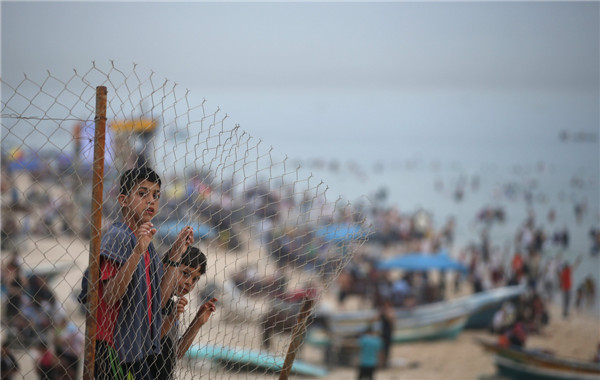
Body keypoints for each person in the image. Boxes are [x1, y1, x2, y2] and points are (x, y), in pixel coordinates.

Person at [78, 166, 194, 380]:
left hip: (136, 352)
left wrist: (177, 253)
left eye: (156, 195)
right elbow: (111, 295)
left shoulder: (147, 243)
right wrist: (136, 252)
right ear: (123, 200)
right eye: (142, 193)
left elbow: (159, 299)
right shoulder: (118, 237)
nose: (151, 200)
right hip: (113, 350)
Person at [149, 246, 217, 380]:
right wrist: (171, 318)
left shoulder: (172, 304)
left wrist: (197, 322)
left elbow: (176, 353)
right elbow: (148, 344)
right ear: (166, 267)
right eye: (185, 273)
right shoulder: (151, 300)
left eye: (195, 279)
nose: (189, 282)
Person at [53, 315, 84, 380]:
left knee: (72, 373)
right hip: (68, 353)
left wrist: (60, 340)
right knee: (68, 373)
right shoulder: (63, 329)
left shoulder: (71, 328)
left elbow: (67, 341)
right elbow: (57, 341)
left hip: (72, 354)